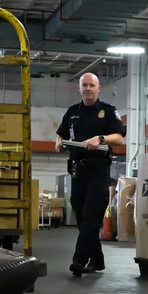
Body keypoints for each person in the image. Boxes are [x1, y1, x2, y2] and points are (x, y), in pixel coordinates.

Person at [56, 72, 126, 277]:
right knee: (80, 215)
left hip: (98, 171)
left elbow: (119, 138)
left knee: (91, 216)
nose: (88, 88)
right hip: (78, 171)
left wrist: (100, 138)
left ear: (98, 88)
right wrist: (58, 142)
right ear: (79, 88)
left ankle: (79, 260)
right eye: (84, 85)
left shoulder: (108, 111)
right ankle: (97, 259)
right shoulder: (72, 112)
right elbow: (61, 132)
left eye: (91, 85)